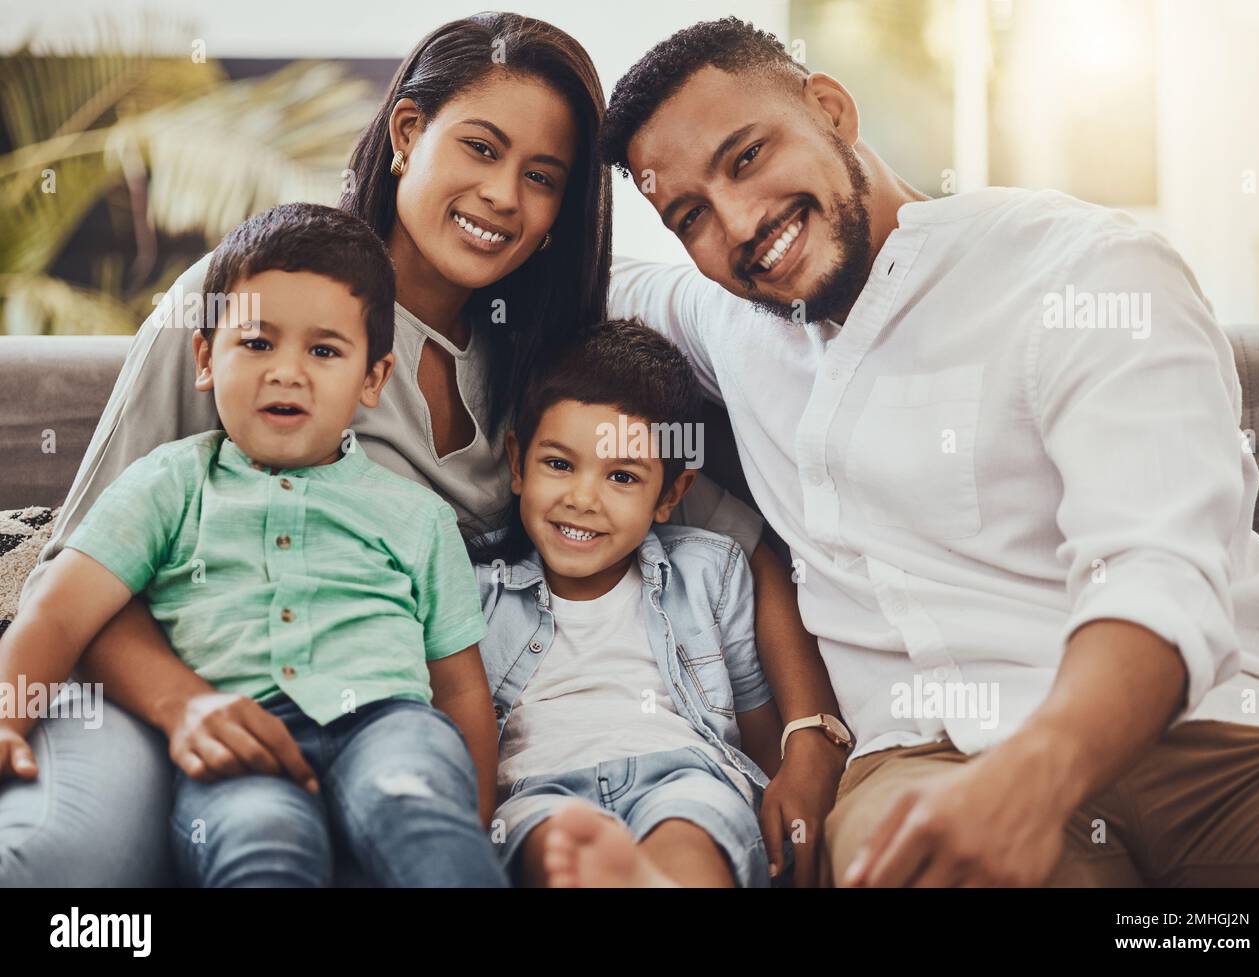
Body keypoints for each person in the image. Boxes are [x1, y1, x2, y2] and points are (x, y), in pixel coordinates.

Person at [2, 12, 838, 887]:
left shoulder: (549, 355)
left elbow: (740, 544)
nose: (503, 196)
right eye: (479, 148)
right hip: (171, 688)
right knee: (60, 860)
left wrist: (809, 739)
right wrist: (186, 706)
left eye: (541, 177)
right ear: (408, 132)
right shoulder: (248, 306)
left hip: (382, 723)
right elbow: (77, 566)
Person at [601, 16, 1259, 886]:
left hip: (1211, 743)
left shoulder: (1085, 272)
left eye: (747, 156)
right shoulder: (727, 321)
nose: (739, 223)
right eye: (690, 215)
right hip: (922, 764)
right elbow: (569, 269)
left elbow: (1158, 568)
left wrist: (1035, 772)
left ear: (832, 108)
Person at [0, 204, 506, 887]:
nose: (286, 372)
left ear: (372, 379)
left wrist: (475, 819)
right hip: (237, 738)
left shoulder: (417, 515)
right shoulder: (169, 482)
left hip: (388, 724)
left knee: (416, 811)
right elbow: (59, 611)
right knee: (260, 844)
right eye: (258, 343)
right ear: (206, 358)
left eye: (324, 350)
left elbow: (461, 688)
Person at [473, 319, 852, 887]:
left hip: (684, 772)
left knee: (694, 830)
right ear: (517, 461)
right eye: (559, 464)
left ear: (671, 495)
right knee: (551, 843)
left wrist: (787, 799)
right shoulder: (479, 586)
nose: (582, 498)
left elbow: (756, 724)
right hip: (537, 786)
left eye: (622, 476)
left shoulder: (709, 574)